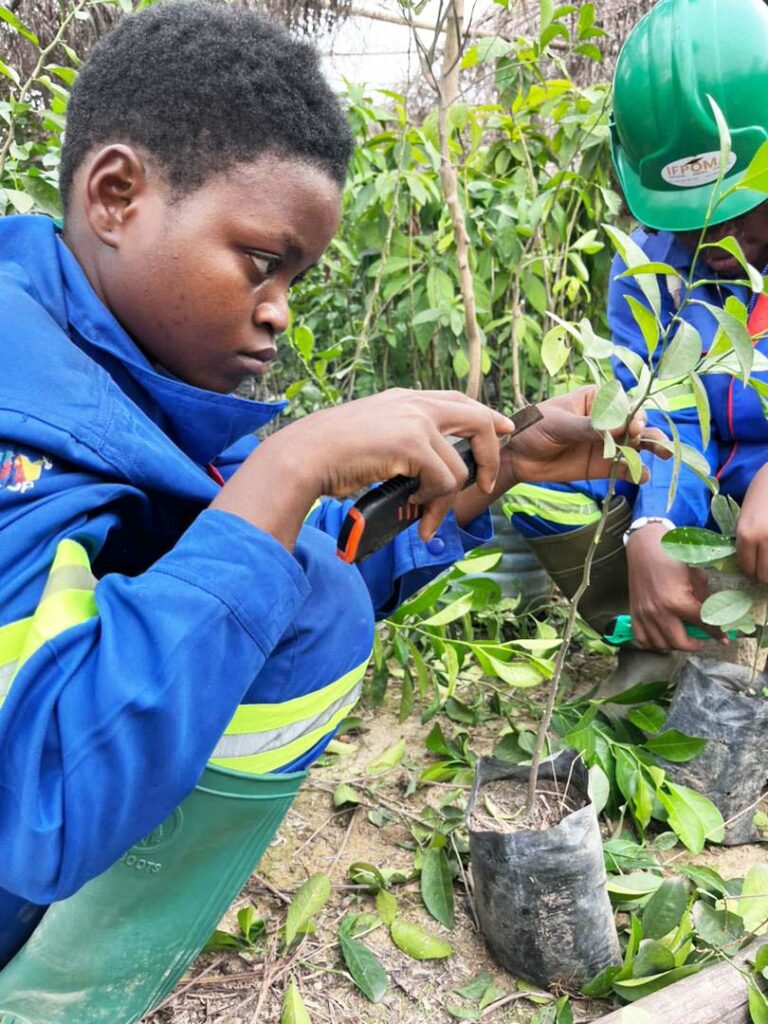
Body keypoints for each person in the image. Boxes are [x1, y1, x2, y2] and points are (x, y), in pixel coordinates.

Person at [0, 4, 662, 1020]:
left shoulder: (110, 363)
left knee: (298, 584)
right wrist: (291, 466)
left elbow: (251, 565)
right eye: (260, 263)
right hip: (35, 840)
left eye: (297, 279)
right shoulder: (22, 424)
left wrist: (490, 474)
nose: (278, 312)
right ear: (118, 194)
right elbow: (30, 795)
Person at [505, 0, 768, 689]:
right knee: (547, 487)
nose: (714, 241)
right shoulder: (648, 267)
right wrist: (649, 526)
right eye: (686, 221)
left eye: (740, 210)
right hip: (704, 487)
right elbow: (667, 404)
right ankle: (672, 652)